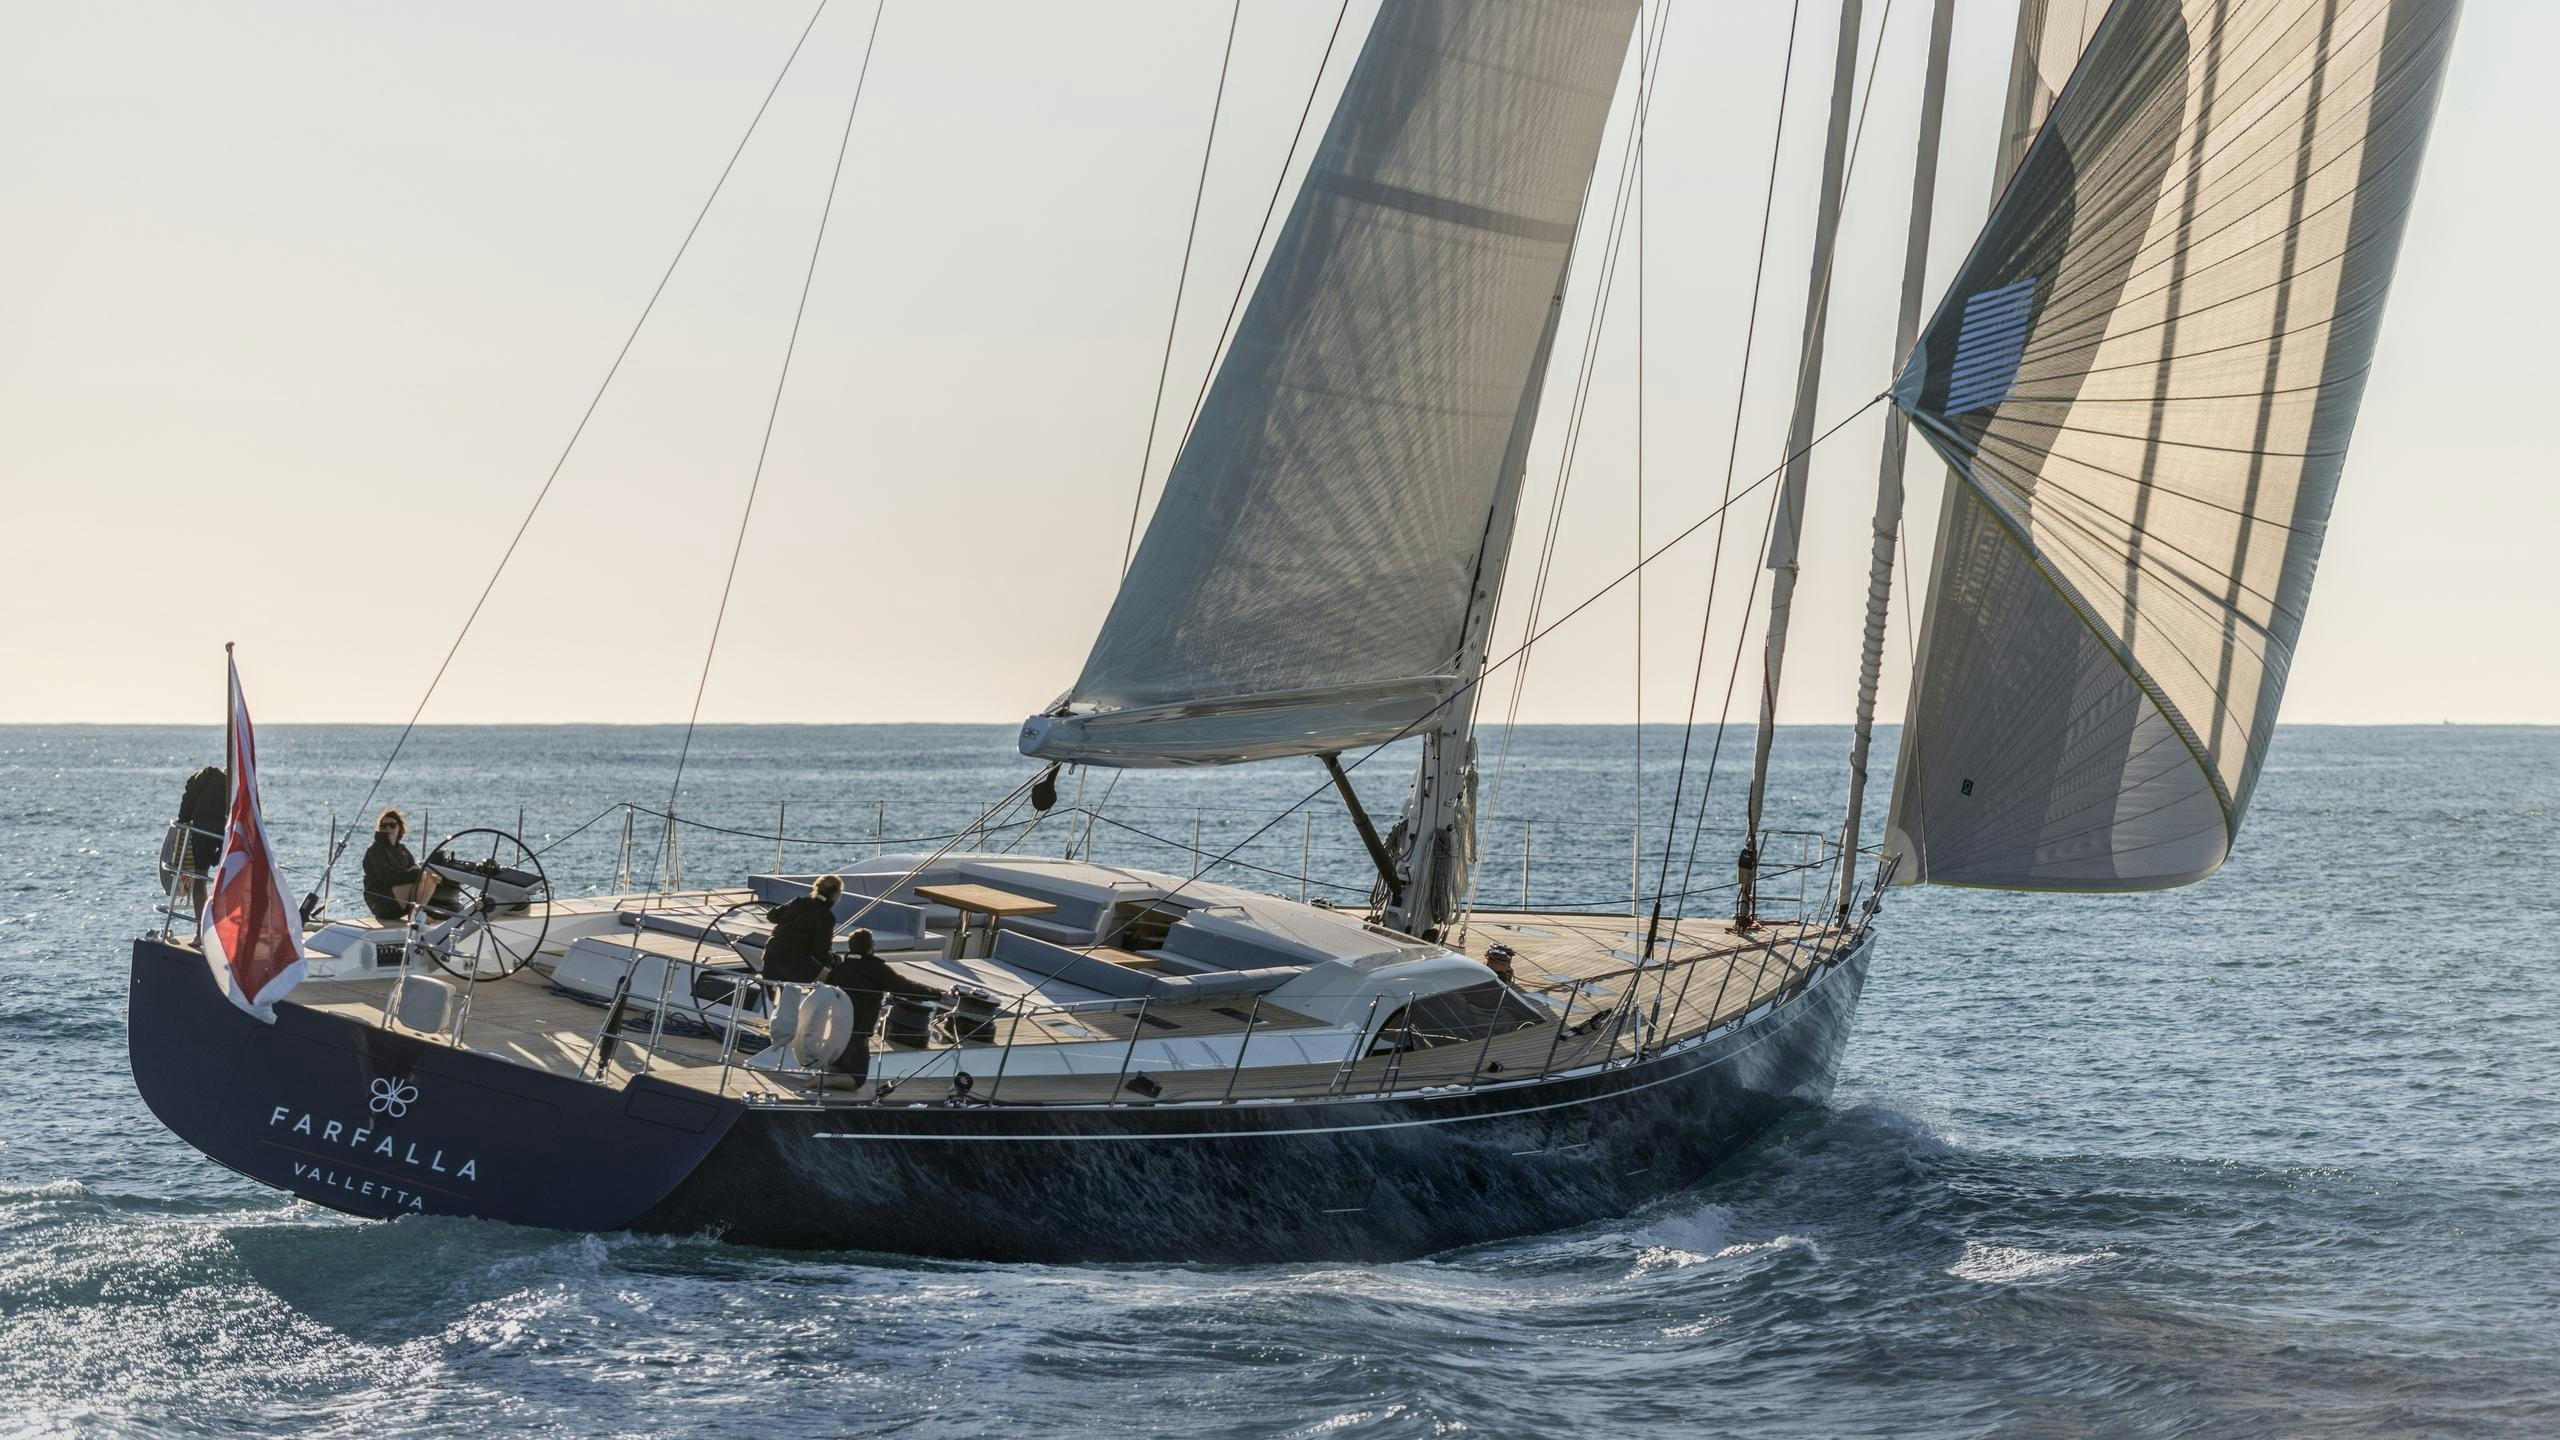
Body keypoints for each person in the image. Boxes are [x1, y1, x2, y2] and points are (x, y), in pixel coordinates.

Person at [824, 927, 942, 1083]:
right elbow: (905, 987)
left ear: (851, 947)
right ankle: (821, 1083)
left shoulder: (839, 969)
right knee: (857, 1079)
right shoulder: (877, 969)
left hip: (836, 1030)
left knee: (838, 1068)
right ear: (871, 947)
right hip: (858, 1031)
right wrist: (936, 994)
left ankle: (823, 1083)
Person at [361, 809, 446, 923]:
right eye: (384, 826)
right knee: (419, 875)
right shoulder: (375, 849)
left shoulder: (402, 850)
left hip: (399, 901)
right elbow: (387, 877)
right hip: (381, 902)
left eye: (392, 825)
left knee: (430, 877)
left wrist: (431, 875)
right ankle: (414, 915)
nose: (388, 829)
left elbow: (414, 869)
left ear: (399, 827)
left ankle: (418, 912)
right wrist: (417, 874)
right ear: (380, 828)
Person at [761, 875, 843, 984]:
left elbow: (772, 916)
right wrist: (832, 961)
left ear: (816, 888)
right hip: (794, 959)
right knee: (831, 979)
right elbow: (821, 951)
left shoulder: (798, 902)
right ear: (835, 894)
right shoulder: (827, 917)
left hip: (771, 953)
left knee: (768, 997)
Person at [172, 764, 227, 908]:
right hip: (225, 831)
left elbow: (189, 799)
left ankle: (199, 926)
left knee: (200, 876)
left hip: (204, 829)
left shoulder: (204, 777)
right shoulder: (235, 785)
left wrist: (182, 819)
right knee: (227, 871)